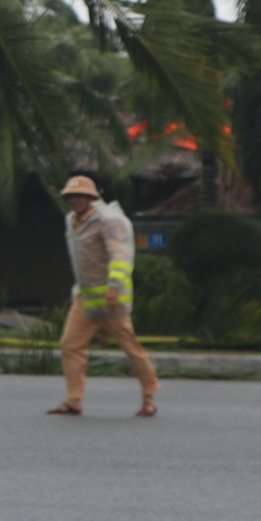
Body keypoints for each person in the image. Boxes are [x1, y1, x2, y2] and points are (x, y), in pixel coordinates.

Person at [51, 174, 160, 418]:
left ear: (92, 197)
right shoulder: (72, 221)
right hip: (86, 298)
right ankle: (74, 400)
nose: (75, 200)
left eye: (80, 196)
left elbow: (120, 255)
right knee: (70, 344)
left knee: (129, 346)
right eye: (71, 196)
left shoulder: (109, 220)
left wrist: (114, 286)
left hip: (112, 299)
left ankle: (149, 396)